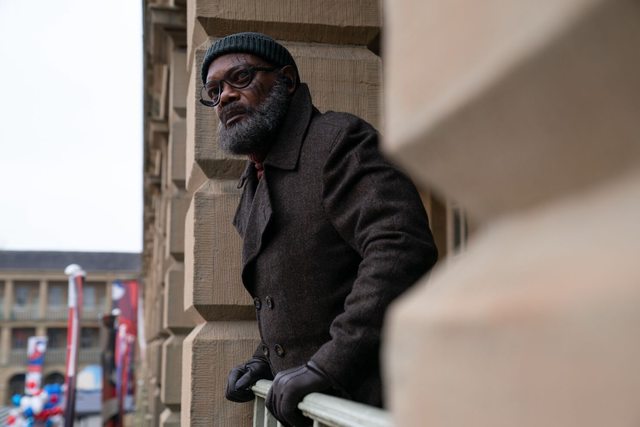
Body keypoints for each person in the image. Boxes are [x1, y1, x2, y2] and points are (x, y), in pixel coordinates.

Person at [200, 32, 438, 427]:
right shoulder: (256, 179)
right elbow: (297, 297)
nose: (224, 96)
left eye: (240, 78)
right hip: (311, 410)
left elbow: (400, 247)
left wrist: (326, 365)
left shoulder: (338, 140)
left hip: (367, 405)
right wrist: (264, 360)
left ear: (286, 81)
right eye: (214, 91)